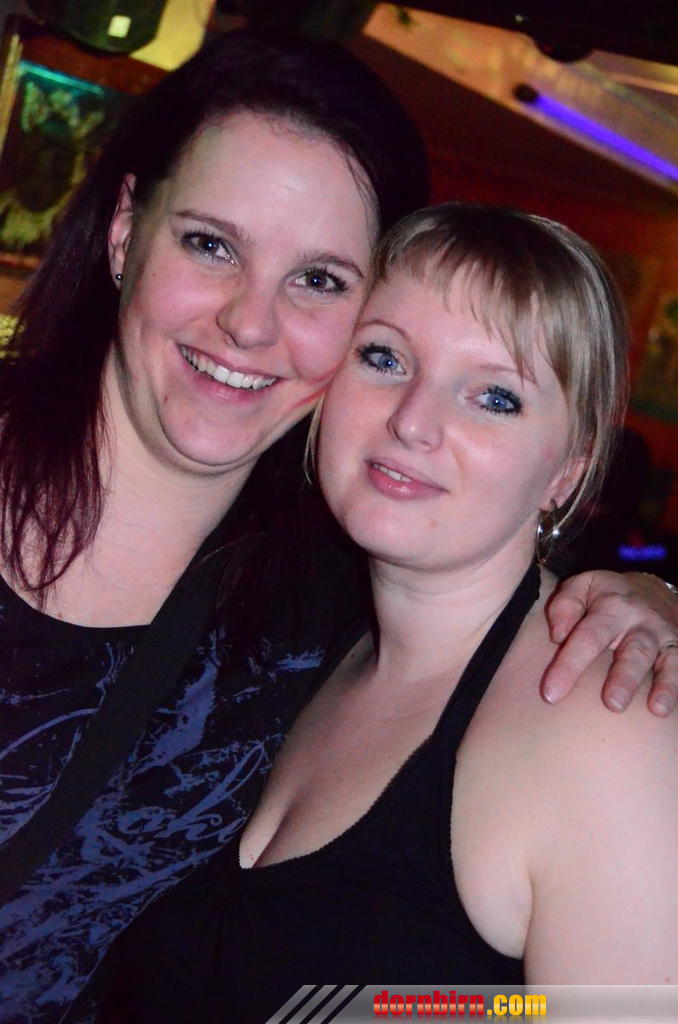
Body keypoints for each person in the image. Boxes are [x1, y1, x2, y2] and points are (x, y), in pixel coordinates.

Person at [0, 29, 676, 1023]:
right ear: (124, 232)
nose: (250, 322)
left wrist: (651, 606)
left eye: (318, 279)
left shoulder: (320, 609)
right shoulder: (342, 626)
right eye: (211, 243)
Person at [109, 205, 678, 1023]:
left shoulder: (603, 730)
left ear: (568, 468)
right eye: (383, 357)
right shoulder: (291, 627)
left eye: (495, 397)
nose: (413, 419)